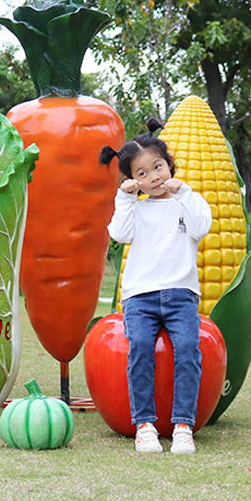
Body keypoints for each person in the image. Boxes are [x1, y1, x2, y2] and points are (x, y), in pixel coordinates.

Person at [99, 119, 212, 455]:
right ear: (134, 179)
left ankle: (182, 426)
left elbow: (201, 226)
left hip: (181, 294)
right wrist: (124, 197)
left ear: (169, 165)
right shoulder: (136, 209)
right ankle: (144, 425)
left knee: (189, 349)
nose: (154, 177)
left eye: (158, 167)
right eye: (143, 173)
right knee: (141, 351)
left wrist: (186, 192)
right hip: (140, 297)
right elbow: (119, 233)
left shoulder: (187, 202)